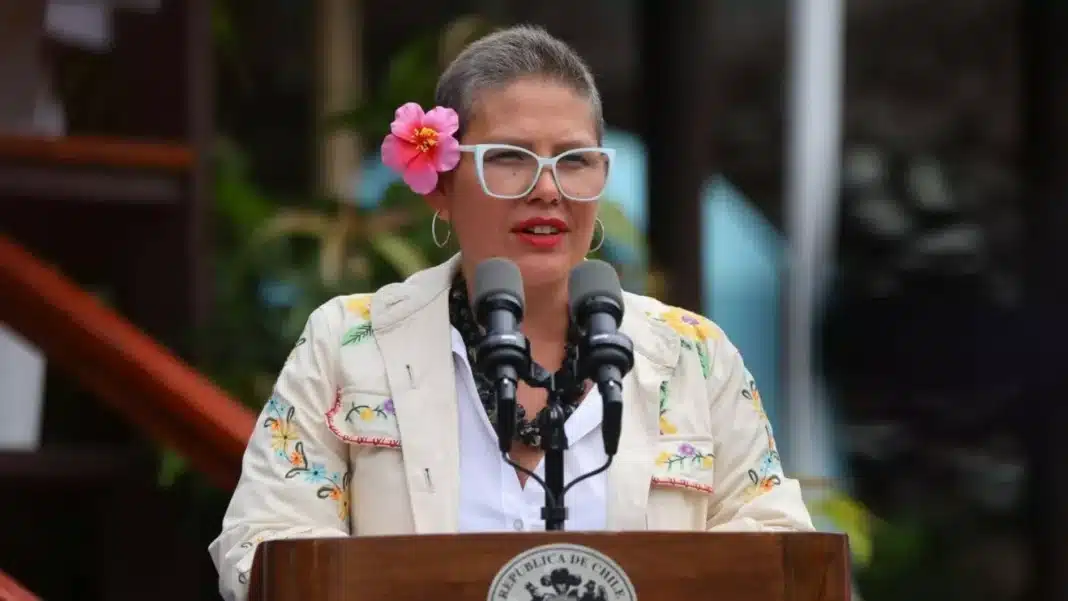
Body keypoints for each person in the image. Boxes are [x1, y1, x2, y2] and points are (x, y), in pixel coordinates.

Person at [209, 24, 814, 601]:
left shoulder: (692, 355)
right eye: (510, 157)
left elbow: (777, 547)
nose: (546, 189)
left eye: (573, 160)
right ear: (442, 185)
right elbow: (262, 542)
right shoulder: (349, 343)